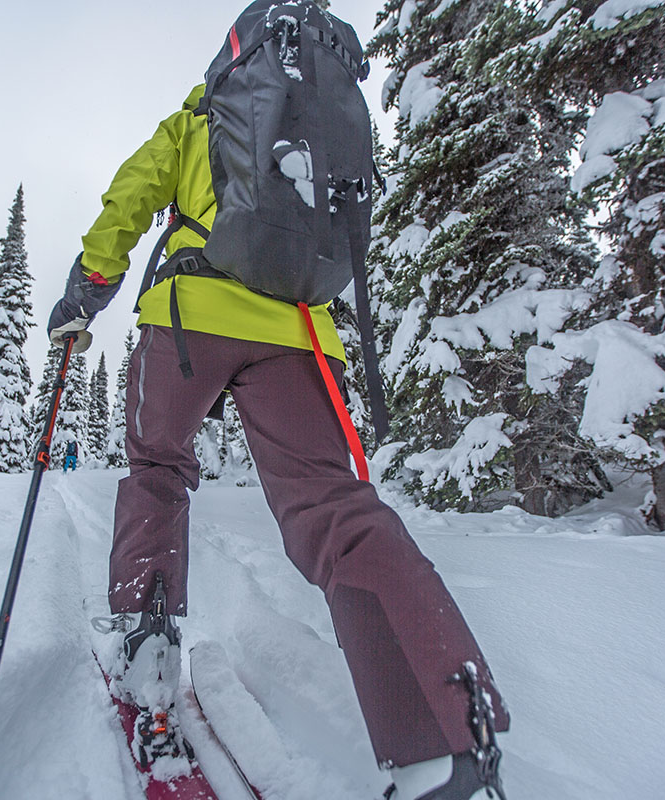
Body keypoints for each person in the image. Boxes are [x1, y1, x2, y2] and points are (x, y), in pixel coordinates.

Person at [48, 11, 510, 800]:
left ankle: (149, 652)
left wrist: (84, 293)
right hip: (300, 329)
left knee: (158, 469)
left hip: (189, 319)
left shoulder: (194, 120)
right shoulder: (320, 124)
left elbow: (127, 202)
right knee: (337, 509)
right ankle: (441, 734)